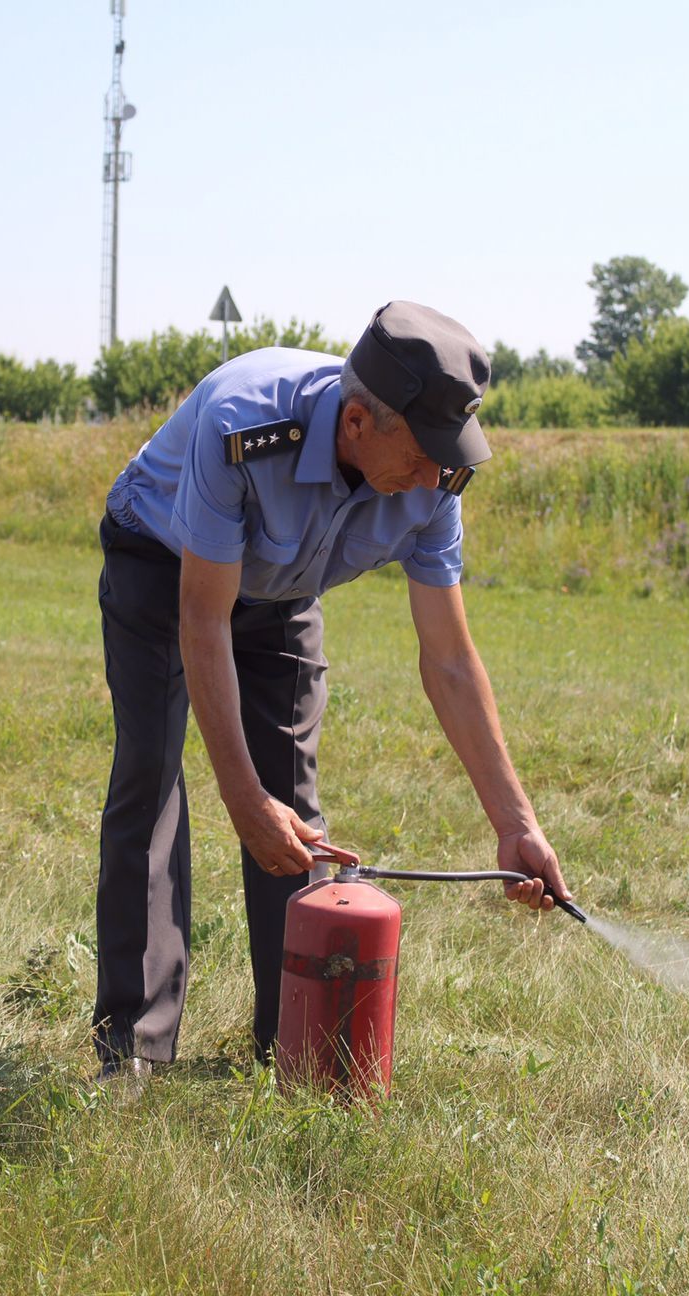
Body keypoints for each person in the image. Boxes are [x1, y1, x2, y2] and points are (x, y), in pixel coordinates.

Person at [93, 300, 572, 1080]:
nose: (430, 480)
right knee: (150, 778)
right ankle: (134, 1052)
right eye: (420, 455)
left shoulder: (434, 480)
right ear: (356, 423)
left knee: (295, 811)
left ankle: (295, 1050)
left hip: (281, 591)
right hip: (163, 566)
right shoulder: (244, 427)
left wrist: (515, 823)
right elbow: (203, 619)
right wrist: (242, 804)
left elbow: (448, 659)